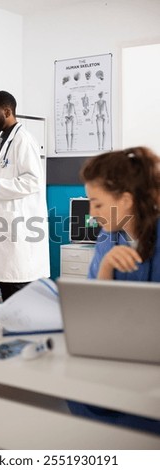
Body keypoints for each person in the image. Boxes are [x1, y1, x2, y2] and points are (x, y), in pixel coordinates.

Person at [67, 146, 160, 434]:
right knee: (81, 399)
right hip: (121, 353)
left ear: (127, 200)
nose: (92, 214)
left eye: (97, 204)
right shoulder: (109, 239)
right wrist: (106, 268)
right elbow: (97, 312)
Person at [0, 90, 50, 301]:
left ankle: (22, 332)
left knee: (18, 292)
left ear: (7, 111)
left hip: (20, 230)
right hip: (5, 228)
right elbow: (3, 181)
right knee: (7, 288)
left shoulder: (23, 140)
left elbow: (33, 181)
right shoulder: (3, 142)